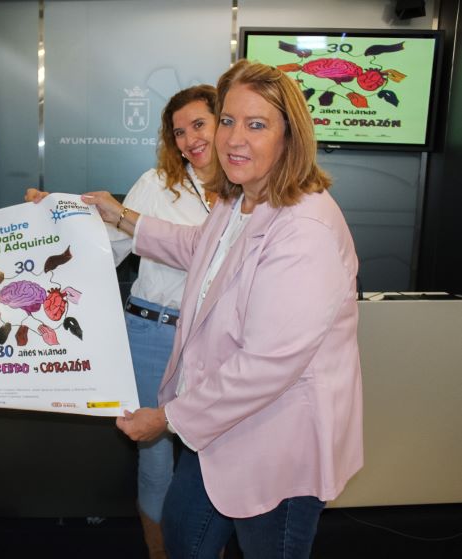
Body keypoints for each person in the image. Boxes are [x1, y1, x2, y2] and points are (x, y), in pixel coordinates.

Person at [82, 59, 363, 558]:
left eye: (256, 125)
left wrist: (167, 418)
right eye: (229, 120)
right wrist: (120, 215)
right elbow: (197, 246)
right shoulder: (241, 202)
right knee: (182, 535)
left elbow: (267, 363)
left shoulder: (305, 229)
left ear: (289, 136)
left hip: (277, 441)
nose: (234, 138)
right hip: (217, 428)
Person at [28, 84, 217, 558]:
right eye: (179, 132)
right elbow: (102, 248)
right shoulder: (156, 184)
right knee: (155, 463)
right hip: (153, 333)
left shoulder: (248, 190)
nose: (189, 139)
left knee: (215, 458)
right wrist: (48, 222)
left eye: (199, 124)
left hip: (215, 338)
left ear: (225, 122)